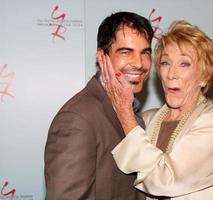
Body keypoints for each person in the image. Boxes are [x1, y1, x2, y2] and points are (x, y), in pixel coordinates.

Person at [100, 20, 213, 200]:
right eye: (165, 63)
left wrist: (125, 114)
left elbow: (166, 180)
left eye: (184, 64)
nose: (171, 74)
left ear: (205, 75)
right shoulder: (145, 119)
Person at [44, 11, 153, 200]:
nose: (139, 63)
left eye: (145, 53)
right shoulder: (77, 119)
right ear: (102, 57)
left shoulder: (128, 108)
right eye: (126, 52)